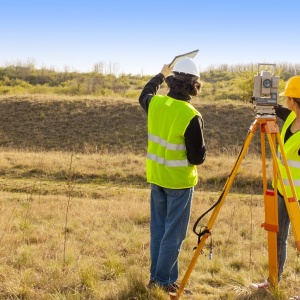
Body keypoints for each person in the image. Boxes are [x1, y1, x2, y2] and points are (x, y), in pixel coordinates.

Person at [138, 58, 206, 294]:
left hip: (157, 178)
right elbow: (197, 158)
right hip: (179, 183)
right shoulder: (191, 115)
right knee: (173, 236)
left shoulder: (155, 104)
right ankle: (162, 282)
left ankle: (158, 278)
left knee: (159, 231)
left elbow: (144, 94)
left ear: (171, 81)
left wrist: (159, 74)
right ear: (194, 85)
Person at [250, 76, 300, 298]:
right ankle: (273, 280)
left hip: (298, 197)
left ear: (293, 99)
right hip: (281, 190)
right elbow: (278, 110)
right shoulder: (292, 118)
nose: (285, 102)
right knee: (278, 236)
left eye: (286, 98)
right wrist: (263, 101)